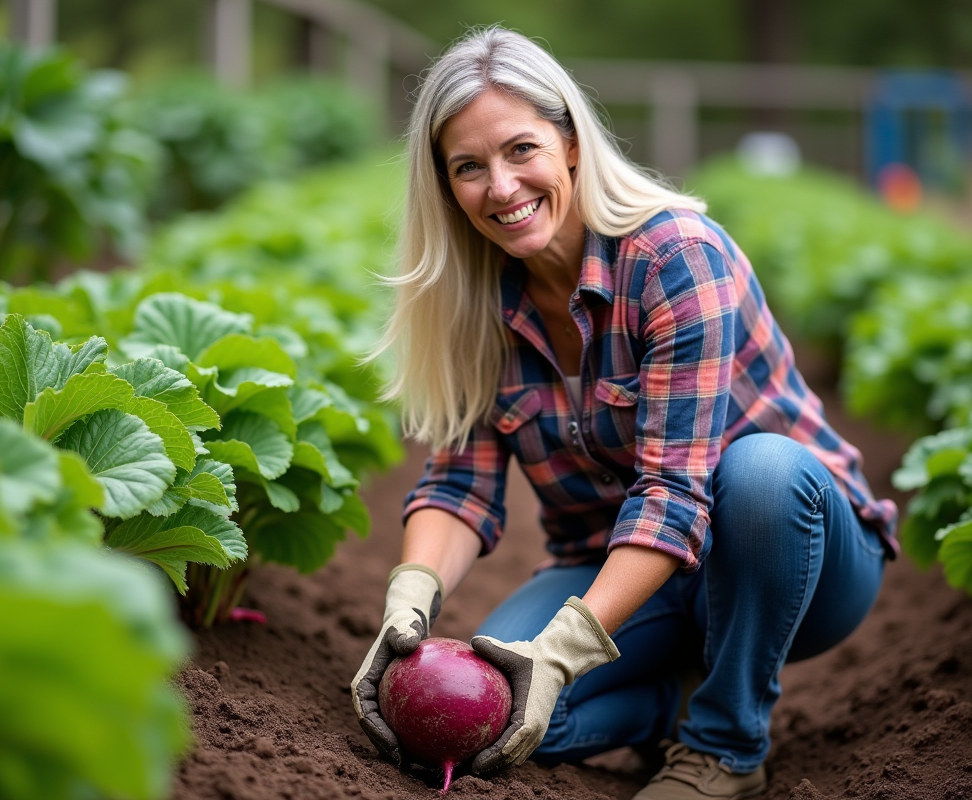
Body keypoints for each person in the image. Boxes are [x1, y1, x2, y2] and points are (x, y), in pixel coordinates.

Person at [351, 26, 897, 800]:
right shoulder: (475, 305)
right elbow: (458, 491)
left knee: (763, 471)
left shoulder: (674, 258)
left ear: (570, 141)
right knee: (479, 715)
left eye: (520, 150)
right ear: (444, 185)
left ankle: (725, 743)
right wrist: (408, 605)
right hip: (622, 575)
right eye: (468, 167)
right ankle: (668, 704)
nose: (500, 188)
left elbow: (676, 496)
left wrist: (564, 653)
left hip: (790, 558)